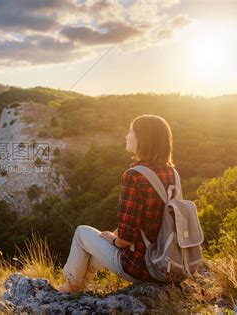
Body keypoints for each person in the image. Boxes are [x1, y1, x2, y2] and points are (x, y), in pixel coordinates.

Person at [58, 114, 177, 292]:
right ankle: (79, 287)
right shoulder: (172, 173)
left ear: (142, 139)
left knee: (82, 233)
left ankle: (68, 288)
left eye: (131, 132)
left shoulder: (134, 176)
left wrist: (114, 239)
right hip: (168, 262)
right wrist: (114, 236)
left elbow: (125, 240)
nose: (126, 136)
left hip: (142, 267)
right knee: (95, 249)